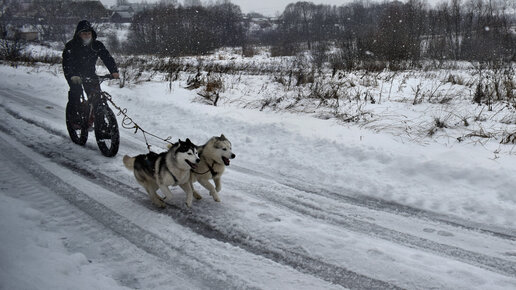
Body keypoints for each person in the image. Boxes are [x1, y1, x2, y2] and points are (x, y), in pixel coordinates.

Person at [62, 20, 119, 126]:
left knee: (97, 97)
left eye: (89, 33)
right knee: (76, 91)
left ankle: (101, 124)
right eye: (84, 33)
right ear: (78, 34)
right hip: (74, 74)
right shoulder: (71, 46)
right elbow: (67, 63)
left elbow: (107, 57)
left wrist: (114, 71)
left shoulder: (96, 45)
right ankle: (75, 118)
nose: (87, 36)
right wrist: (72, 75)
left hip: (89, 74)